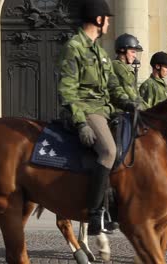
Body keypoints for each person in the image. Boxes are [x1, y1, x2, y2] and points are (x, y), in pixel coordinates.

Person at [57, 0, 138, 236]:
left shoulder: (100, 51)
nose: (109, 23)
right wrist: (80, 122)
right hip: (87, 108)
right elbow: (67, 89)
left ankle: (116, 202)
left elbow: (113, 86)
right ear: (99, 19)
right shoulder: (74, 47)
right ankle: (95, 214)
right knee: (109, 151)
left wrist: (131, 103)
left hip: (106, 109)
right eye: (107, 19)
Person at [112, 33, 144, 109]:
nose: (135, 56)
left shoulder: (125, 68)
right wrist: (145, 109)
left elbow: (136, 95)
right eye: (132, 52)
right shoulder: (117, 66)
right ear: (122, 50)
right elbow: (130, 94)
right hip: (120, 110)